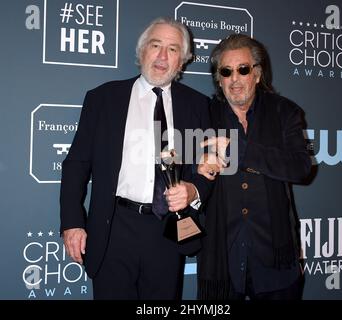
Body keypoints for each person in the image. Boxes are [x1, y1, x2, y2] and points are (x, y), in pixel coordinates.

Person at [60, 17, 211, 300]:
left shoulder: (198, 105)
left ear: (183, 61)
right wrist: (72, 222)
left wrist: (194, 189)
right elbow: (76, 164)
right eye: (156, 45)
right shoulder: (103, 99)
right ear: (142, 51)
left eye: (173, 49)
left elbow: (209, 166)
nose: (163, 56)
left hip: (168, 230)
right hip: (113, 229)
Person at [196, 34, 312, 300]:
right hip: (222, 261)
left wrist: (239, 150)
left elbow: (301, 168)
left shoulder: (286, 112)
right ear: (219, 79)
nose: (234, 79)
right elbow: (187, 168)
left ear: (257, 74)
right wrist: (197, 166)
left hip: (276, 261)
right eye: (226, 71)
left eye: (243, 69)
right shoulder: (203, 113)